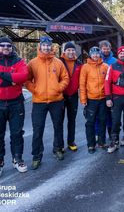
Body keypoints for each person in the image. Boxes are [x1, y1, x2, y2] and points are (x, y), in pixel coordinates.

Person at [25, 36, 69, 170]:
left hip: (56, 101)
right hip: (39, 101)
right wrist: (35, 90)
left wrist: (58, 88)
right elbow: (26, 80)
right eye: (43, 45)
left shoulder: (58, 62)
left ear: (51, 46)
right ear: (40, 46)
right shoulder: (32, 63)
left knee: (58, 126)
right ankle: (37, 156)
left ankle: (58, 149)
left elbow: (65, 78)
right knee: (38, 129)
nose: (46, 47)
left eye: (48, 45)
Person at [0, 37, 28, 176]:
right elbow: (16, 78)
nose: (6, 47)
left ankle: (17, 158)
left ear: (12, 47)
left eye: (9, 45)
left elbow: (23, 76)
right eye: (3, 45)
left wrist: (2, 77)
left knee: (16, 133)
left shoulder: (19, 61)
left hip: (16, 103)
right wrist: (11, 79)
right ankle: (0, 161)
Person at [79, 46, 108, 154]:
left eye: (97, 53)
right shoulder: (85, 67)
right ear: (90, 55)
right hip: (91, 99)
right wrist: (83, 99)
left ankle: (102, 142)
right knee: (90, 122)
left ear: (100, 54)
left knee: (102, 121)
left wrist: (109, 97)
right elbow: (82, 84)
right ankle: (91, 144)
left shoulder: (105, 66)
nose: (95, 55)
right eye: (93, 53)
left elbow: (108, 82)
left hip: (103, 99)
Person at [60, 42, 82, 152]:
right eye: (68, 50)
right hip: (61, 95)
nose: (71, 52)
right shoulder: (59, 62)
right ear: (64, 51)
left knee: (72, 120)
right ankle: (59, 144)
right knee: (59, 121)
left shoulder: (79, 63)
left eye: (72, 50)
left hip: (73, 95)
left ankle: (71, 141)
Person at [95, 40, 117, 146]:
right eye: (104, 48)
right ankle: (98, 134)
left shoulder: (114, 61)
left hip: (111, 93)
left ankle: (111, 134)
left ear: (110, 49)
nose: (106, 50)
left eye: (108, 48)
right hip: (98, 93)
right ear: (100, 49)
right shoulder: (95, 59)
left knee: (111, 115)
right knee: (99, 116)